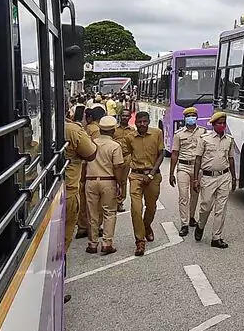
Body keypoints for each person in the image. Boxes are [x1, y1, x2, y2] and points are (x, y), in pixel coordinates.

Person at [85, 116, 128, 255]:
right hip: (108, 181)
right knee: (109, 212)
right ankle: (107, 243)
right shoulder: (115, 146)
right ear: (113, 130)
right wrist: (120, 184)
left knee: (92, 213)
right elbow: (118, 167)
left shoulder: (91, 143)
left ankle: (92, 244)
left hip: (90, 180)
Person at [194, 111, 237, 248]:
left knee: (221, 208)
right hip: (208, 177)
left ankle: (216, 237)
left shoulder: (229, 140)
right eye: (219, 123)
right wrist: (196, 179)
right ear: (213, 124)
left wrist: (234, 177)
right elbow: (198, 159)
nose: (222, 125)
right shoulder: (204, 139)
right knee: (206, 206)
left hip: (224, 176)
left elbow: (230, 159)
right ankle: (200, 225)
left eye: (224, 123)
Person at [125, 110, 164, 246]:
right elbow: (128, 153)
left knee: (151, 207)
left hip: (153, 175)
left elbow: (161, 154)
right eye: (139, 122)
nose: (142, 124)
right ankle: (140, 240)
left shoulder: (157, 133)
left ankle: (147, 226)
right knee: (136, 208)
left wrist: (151, 174)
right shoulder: (130, 137)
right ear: (135, 123)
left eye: (145, 122)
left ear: (148, 122)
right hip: (136, 175)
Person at [169, 106, 207, 239]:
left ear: (196, 118)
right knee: (183, 196)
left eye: (193, 116)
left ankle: (191, 217)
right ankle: (184, 224)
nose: (191, 118)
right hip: (183, 167)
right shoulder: (179, 134)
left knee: (195, 194)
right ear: (185, 118)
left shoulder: (203, 132)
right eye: (188, 116)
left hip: (198, 168)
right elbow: (174, 154)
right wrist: (171, 173)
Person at [63, 104, 96, 248]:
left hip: (39, 190)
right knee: (63, 239)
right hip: (67, 191)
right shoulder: (72, 130)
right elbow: (91, 154)